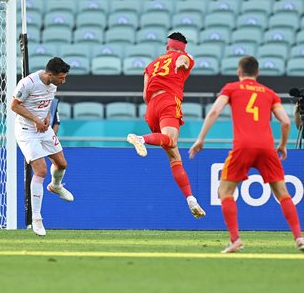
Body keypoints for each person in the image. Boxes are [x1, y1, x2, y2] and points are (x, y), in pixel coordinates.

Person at [189, 56, 304, 253]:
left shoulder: (232, 88)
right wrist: (283, 145)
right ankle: (299, 238)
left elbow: (215, 111)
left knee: (224, 192)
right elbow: (285, 122)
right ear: (257, 73)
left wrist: (200, 139)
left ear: (239, 72)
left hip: (243, 146)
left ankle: (235, 239)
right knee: (283, 193)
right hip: (267, 148)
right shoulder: (269, 93)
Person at [126, 32, 206, 219]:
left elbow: (145, 95)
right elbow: (183, 63)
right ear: (182, 47)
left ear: (167, 47)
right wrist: (181, 64)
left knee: (173, 155)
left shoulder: (151, 65)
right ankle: (141, 138)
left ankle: (191, 199)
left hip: (151, 107)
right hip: (169, 100)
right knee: (171, 140)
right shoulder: (183, 56)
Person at [10, 57, 74, 237]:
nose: (63, 81)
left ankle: (56, 186)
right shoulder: (27, 83)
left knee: (62, 164)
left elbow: (45, 104)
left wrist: (46, 116)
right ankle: (36, 218)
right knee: (41, 171)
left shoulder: (53, 86)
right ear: (49, 74)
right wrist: (36, 120)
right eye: (61, 78)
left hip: (43, 128)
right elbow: (14, 105)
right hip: (26, 130)